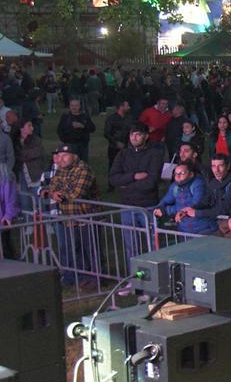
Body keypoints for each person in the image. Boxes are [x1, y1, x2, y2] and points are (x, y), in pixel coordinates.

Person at [42, 144, 98, 286]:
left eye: (65, 155)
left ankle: (96, 278)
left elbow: (76, 193)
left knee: (91, 249)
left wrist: (58, 191)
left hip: (86, 217)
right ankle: (81, 277)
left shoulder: (83, 169)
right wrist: (55, 193)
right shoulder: (61, 169)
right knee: (76, 249)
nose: (61, 159)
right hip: (69, 217)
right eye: (59, 156)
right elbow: (53, 187)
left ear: (74, 156)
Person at [108, 123, 164, 259]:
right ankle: (134, 277)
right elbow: (113, 178)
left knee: (154, 244)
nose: (134, 137)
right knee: (131, 246)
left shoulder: (155, 154)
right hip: (127, 207)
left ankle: (157, 276)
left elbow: (151, 182)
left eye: (138, 134)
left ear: (146, 136)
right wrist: (133, 176)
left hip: (149, 206)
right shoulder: (123, 154)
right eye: (132, 134)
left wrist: (126, 185)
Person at [153, 159, 217, 236]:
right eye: (176, 174)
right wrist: (159, 208)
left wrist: (167, 210)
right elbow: (166, 200)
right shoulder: (175, 186)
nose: (178, 176)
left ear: (191, 174)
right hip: (184, 229)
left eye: (182, 173)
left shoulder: (198, 184)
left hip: (203, 228)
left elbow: (194, 204)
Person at [56, 98, 95, 162]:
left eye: (76, 105)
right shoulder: (65, 117)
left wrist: (83, 126)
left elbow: (92, 128)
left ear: (79, 106)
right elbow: (59, 130)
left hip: (83, 145)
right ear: (69, 106)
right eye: (72, 105)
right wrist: (64, 140)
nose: (74, 107)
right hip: (69, 144)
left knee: (83, 163)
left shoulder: (84, 116)